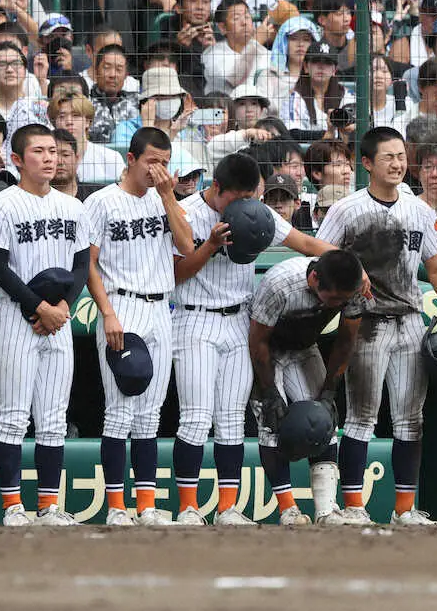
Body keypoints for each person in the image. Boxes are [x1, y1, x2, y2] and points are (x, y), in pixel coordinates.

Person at [314, 127, 437, 526]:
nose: (397, 164)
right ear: (367, 163)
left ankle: (405, 509)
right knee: (360, 418)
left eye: (401, 156)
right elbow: (320, 257)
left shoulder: (418, 210)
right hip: (365, 322)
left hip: (409, 320)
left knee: (410, 419)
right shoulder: (347, 209)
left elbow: (435, 267)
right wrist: (351, 272)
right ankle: (354, 506)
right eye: (388, 157)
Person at [170, 152, 333, 526]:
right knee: (196, 418)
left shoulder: (256, 212)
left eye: (251, 196)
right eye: (238, 197)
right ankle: (188, 508)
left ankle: (227, 508)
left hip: (238, 319)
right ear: (217, 187)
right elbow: (175, 275)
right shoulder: (187, 212)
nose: (245, 205)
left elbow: (306, 244)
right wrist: (210, 245)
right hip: (194, 318)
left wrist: (350, 264)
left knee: (231, 419)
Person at [84, 127, 195, 526]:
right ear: (131, 159)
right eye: (151, 161)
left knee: (150, 415)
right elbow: (88, 264)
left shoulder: (165, 199)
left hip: (161, 307)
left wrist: (168, 196)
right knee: (120, 411)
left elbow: (188, 246)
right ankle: (116, 507)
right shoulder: (101, 202)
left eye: (164, 163)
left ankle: (146, 506)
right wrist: (107, 312)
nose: (158, 170)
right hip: (123, 305)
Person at [0, 124, 89, 527]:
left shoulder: (72, 207)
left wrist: (61, 307)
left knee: (53, 419)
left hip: (58, 320)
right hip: (17, 317)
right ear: (17, 159)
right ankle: (13, 507)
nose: (49, 158)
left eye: (54, 151)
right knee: (13, 416)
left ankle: (49, 506)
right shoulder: (3, 204)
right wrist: (39, 307)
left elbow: (81, 265)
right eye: (39, 151)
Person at [249, 249, 366, 526]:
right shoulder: (279, 283)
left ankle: (327, 510)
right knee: (271, 422)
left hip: (304, 347)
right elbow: (257, 340)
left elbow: (346, 340)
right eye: (334, 298)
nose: (338, 304)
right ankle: (288, 510)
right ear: (314, 278)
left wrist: (329, 390)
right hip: (268, 349)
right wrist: (269, 391)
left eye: (343, 299)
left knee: (324, 420)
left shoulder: (356, 289)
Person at [49, 90, 126, 183]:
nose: (69, 121)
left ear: (87, 121)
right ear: (54, 123)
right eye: (62, 116)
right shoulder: (47, 158)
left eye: (76, 115)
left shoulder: (111, 158)